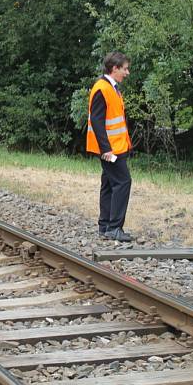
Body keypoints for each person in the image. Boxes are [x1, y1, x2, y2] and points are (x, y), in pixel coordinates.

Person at [86, 52, 134, 242]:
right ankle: (114, 228)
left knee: (108, 184)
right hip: (110, 149)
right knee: (123, 182)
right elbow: (97, 122)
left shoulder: (111, 88)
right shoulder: (102, 89)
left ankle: (105, 226)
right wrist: (106, 150)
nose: (127, 72)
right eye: (125, 68)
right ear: (114, 69)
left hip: (117, 147)